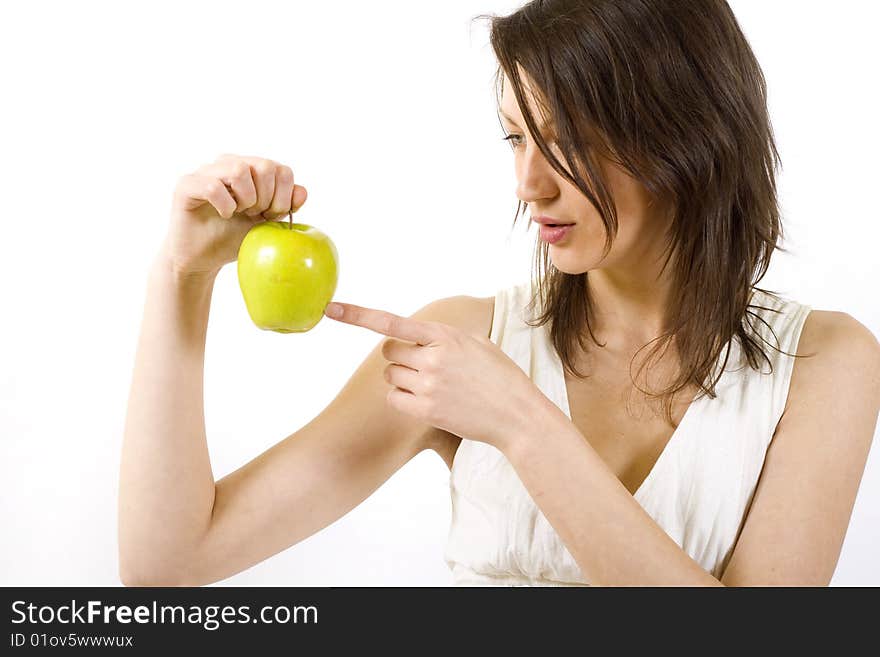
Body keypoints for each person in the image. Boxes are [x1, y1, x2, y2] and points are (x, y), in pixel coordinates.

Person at [118, 0, 880, 587]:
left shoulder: (826, 362)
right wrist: (182, 277)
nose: (529, 184)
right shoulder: (463, 342)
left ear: (689, 130)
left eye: (569, 139)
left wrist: (523, 424)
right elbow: (171, 558)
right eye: (517, 137)